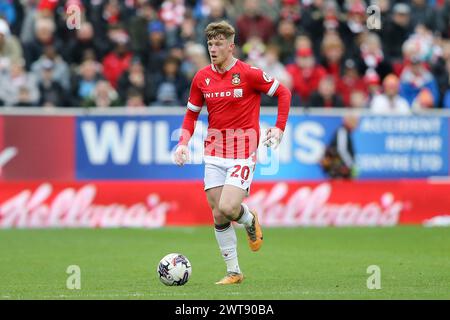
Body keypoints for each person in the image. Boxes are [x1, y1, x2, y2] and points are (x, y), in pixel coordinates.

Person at [173, 20, 291, 285]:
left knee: (228, 207)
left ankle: (249, 220)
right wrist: (182, 143)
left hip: (243, 150)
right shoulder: (201, 77)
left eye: (218, 44)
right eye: (210, 44)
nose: (213, 48)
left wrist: (279, 128)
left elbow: (283, 93)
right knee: (217, 213)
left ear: (231, 46)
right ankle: (234, 272)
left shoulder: (249, 74)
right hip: (214, 151)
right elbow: (191, 115)